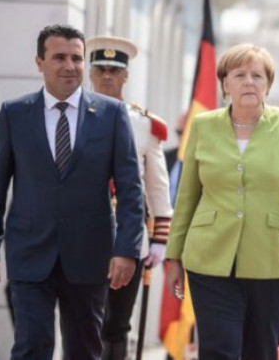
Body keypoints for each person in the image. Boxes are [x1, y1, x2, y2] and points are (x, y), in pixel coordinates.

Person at [0, 24, 144, 360]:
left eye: (76, 58)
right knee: (31, 347)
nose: (69, 65)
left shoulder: (111, 116)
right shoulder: (14, 114)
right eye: (59, 57)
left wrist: (126, 249)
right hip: (29, 253)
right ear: (39, 62)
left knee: (84, 350)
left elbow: (130, 189)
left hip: (90, 254)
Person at [164, 43, 279, 360]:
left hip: (274, 258)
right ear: (225, 84)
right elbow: (188, 194)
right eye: (239, 74)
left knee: (260, 351)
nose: (249, 81)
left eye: (257, 75)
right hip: (209, 256)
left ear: (268, 85)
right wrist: (174, 256)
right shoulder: (203, 125)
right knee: (218, 350)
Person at [86, 36, 174, 360]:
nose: (107, 76)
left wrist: (159, 240)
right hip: (81, 234)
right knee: (82, 321)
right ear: (91, 73)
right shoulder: (72, 116)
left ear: (126, 76)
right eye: (101, 69)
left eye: (114, 70)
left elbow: (157, 186)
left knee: (117, 324)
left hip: (128, 236)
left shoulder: (145, 124)